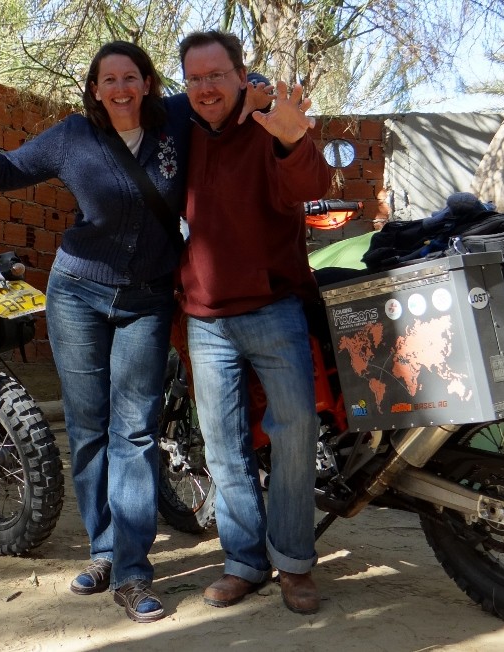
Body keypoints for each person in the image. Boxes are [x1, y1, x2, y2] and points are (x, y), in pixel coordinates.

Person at [0, 41, 188, 624]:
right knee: (89, 426)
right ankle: (104, 549)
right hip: (77, 293)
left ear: (148, 83)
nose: (121, 88)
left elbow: (223, 88)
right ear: (95, 89)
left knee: (137, 433)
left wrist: (255, 92)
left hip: (148, 299)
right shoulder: (73, 136)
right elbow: (5, 173)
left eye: (131, 77)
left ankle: (131, 572)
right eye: (109, 80)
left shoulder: (177, 123)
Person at [176, 30, 333, 615]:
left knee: (295, 438)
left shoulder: (269, 122)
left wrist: (295, 139)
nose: (205, 88)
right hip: (205, 319)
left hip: (275, 308)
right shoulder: (183, 135)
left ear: (242, 76)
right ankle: (244, 562)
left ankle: (293, 563)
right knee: (223, 446)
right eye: (194, 78)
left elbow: (309, 186)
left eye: (216, 75)